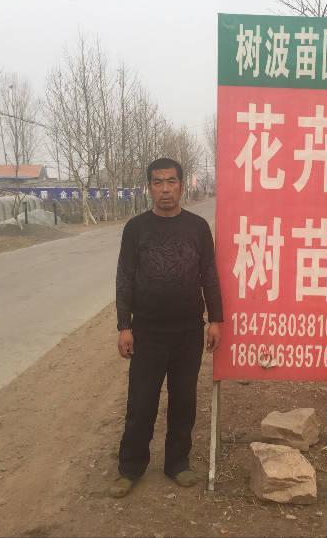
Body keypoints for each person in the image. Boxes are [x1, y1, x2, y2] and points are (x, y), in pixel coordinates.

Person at [109, 157, 223, 498]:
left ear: (181, 185)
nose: (165, 189)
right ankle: (130, 468)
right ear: (149, 188)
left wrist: (216, 319)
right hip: (147, 332)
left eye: (171, 181)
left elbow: (209, 274)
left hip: (188, 331)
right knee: (141, 403)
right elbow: (125, 277)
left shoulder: (197, 227)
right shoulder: (136, 229)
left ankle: (177, 463)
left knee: (183, 400)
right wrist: (124, 325)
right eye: (158, 182)